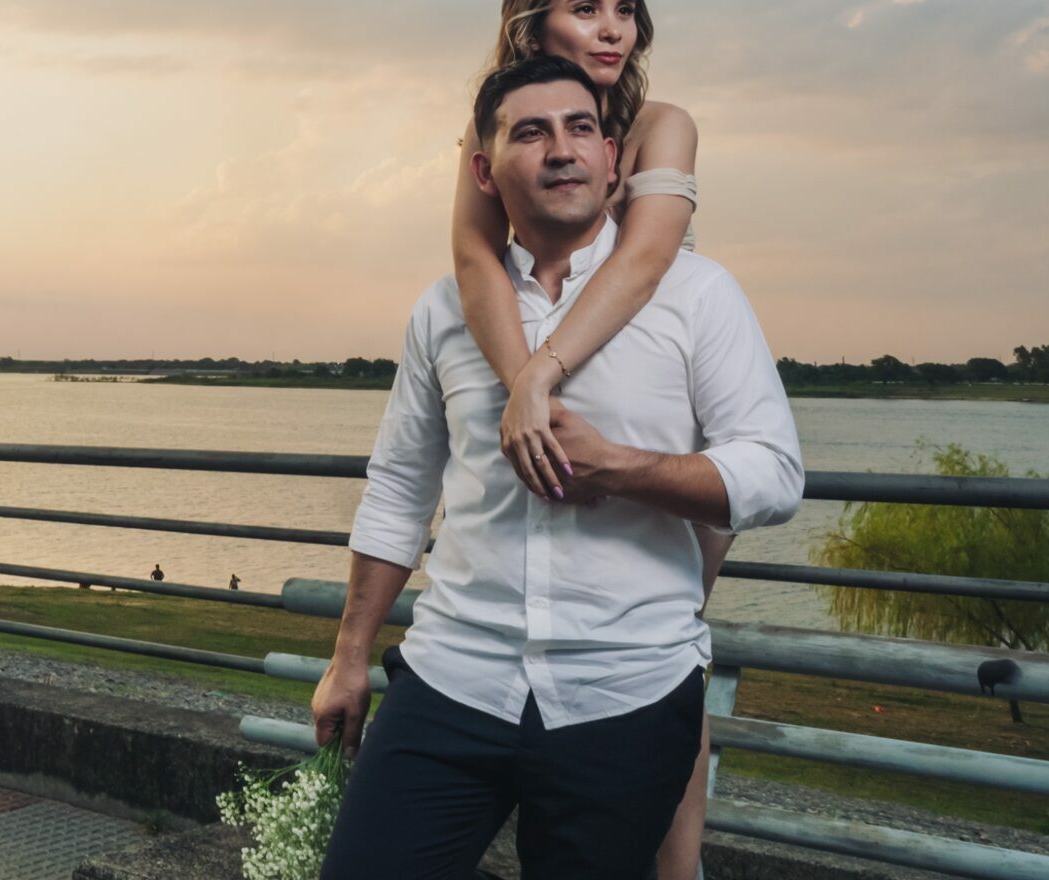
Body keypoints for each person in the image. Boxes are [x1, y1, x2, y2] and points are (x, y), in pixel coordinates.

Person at [316, 54, 803, 879]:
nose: (562, 150)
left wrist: (618, 466)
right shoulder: (444, 309)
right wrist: (350, 654)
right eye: (531, 133)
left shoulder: (698, 293)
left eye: (581, 129)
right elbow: (399, 486)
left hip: (626, 692)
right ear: (483, 170)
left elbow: (775, 474)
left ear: (613, 160)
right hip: (452, 679)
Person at [450, 0, 726, 880]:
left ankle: (678, 869)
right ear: (534, 22)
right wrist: (524, 388)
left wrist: (542, 376)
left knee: (669, 650)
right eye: (586, 8)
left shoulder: (662, 124)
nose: (613, 30)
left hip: (657, 413)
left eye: (625, 10)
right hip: (556, 408)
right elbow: (475, 261)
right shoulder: (492, 133)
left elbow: (645, 258)